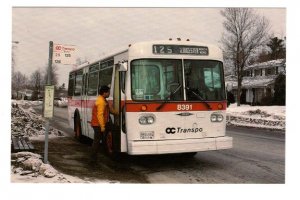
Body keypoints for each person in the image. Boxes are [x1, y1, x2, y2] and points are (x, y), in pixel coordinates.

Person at [90, 85, 118, 163]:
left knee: (102, 139)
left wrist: (118, 113)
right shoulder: (101, 101)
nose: (109, 93)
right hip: (98, 125)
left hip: (102, 123)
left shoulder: (104, 100)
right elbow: (100, 115)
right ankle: (93, 158)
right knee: (97, 141)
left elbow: (110, 111)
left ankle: (98, 155)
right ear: (104, 93)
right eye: (108, 92)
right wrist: (102, 127)